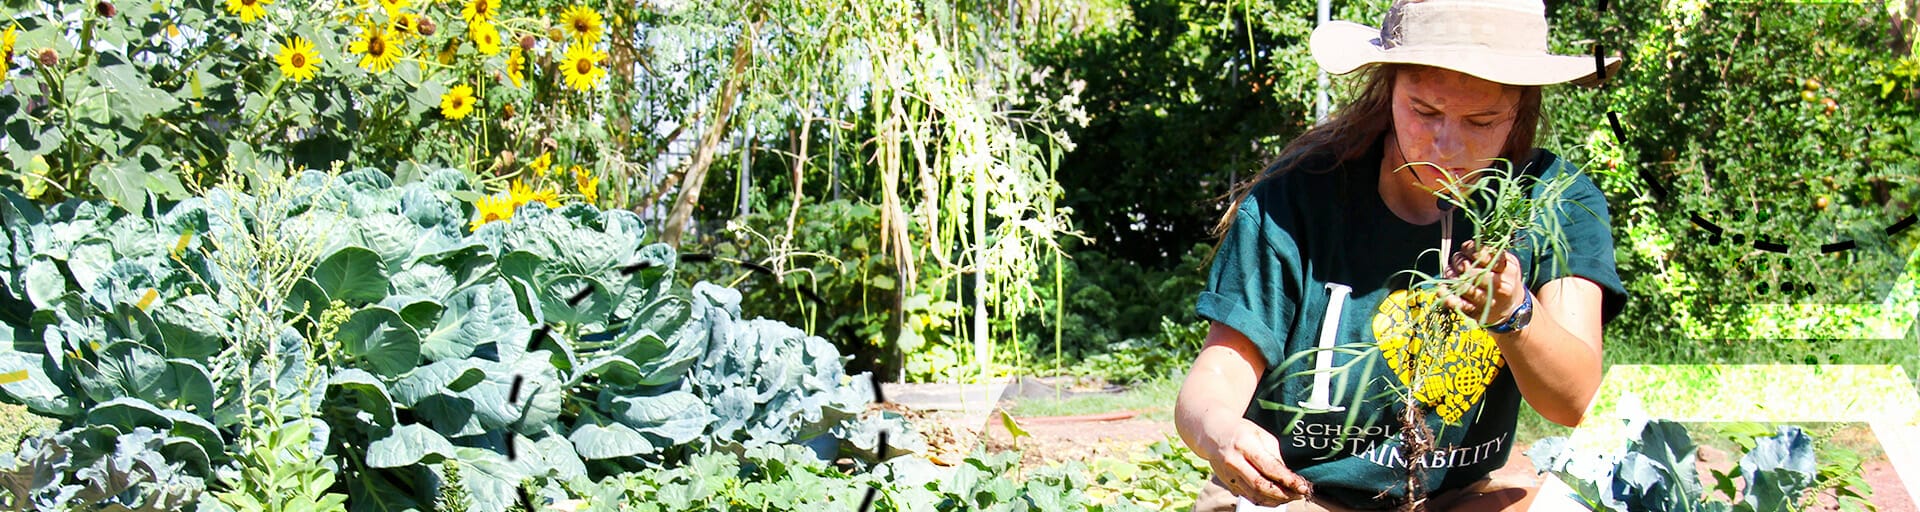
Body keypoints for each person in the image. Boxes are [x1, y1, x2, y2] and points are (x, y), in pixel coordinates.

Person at [1174, 0, 1629, 510]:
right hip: (1300, 493)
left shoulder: (1555, 199)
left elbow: (1573, 401)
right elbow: (1213, 382)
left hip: (1459, 497)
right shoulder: (1297, 197)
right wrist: (1220, 432)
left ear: (1521, 110)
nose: (1447, 144)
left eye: (1481, 121)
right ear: (1387, 88)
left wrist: (1513, 313)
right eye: (1425, 111)